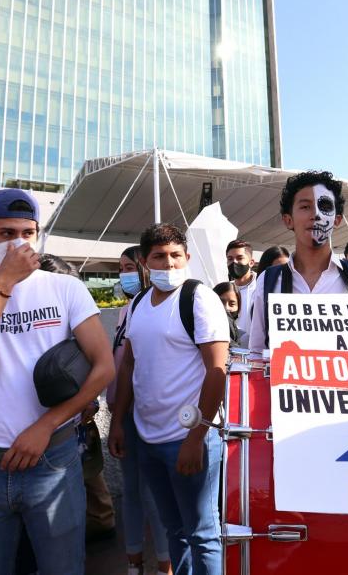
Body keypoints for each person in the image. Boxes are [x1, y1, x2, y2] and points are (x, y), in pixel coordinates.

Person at [0, 189, 115, 575]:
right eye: (6, 234)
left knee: (63, 567)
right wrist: (2, 285)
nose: (19, 243)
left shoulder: (65, 288)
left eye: (28, 233)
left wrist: (46, 425)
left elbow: (104, 367)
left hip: (53, 454)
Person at [109, 224, 229, 575]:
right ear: (146, 261)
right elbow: (130, 362)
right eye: (160, 257)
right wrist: (118, 421)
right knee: (173, 530)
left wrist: (197, 436)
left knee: (203, 533)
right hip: (147, 437)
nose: (170, 263)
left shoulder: (199, 298)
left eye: (176, 255)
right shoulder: (138, 304)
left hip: (191, 438)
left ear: (187, 258)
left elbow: (216, 370)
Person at [248, 171, 348, 355]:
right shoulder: (268, 280)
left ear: (337, 220)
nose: (316, 215)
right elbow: (257, 352)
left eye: (325, 206)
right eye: (305, 207)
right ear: (288, 220)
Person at [36, 254, 117, 546]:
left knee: (88, 471)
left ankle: (100, 522)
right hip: (50, 413)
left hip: (76, 412)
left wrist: (90, 400)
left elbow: (97, 362)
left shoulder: (77, 315)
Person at [108, 246, 172, 575]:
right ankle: (134, 562)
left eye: (130, 267)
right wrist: (116, 419)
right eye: (121, 268)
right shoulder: (126, 310)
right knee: (131, 493)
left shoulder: (161, 309)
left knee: (154, 496)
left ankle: (165, 564)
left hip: (152, 415)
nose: (124, 274)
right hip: (125, 414)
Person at [225, 240, 257, 347]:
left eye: (239, 258)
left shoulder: (262, 287)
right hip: (233, 354)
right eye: (230, 259)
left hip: (258, 354)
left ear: (251, 262)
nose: (234, 262)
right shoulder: (225, 290)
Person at [213, 281, 242, 346]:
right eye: (221, 302)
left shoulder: (245, 338)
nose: (226, 308)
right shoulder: (204, 336)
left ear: (239, 307)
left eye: (232, 304)